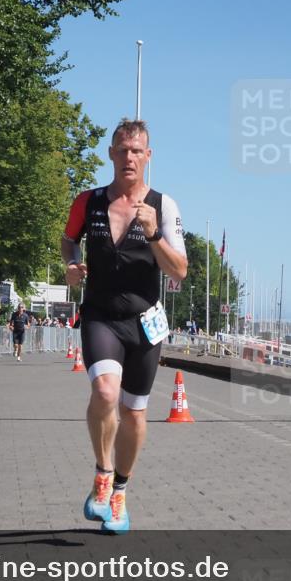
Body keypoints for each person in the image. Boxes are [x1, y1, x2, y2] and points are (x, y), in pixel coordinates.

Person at [61, 118, 187, 535]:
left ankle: (120, 490)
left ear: (148, 157)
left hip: (144, 324)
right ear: (111, 154)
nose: (129, 157)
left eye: (137, 151)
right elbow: (68, 239)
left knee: (134, 413)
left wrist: (153, 235)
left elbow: (180, 270)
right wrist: (71, 264)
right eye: (122, 149)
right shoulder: (88, 201)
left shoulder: (163, 206)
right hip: (100, 315)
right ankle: (102, 472)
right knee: (104, 391)